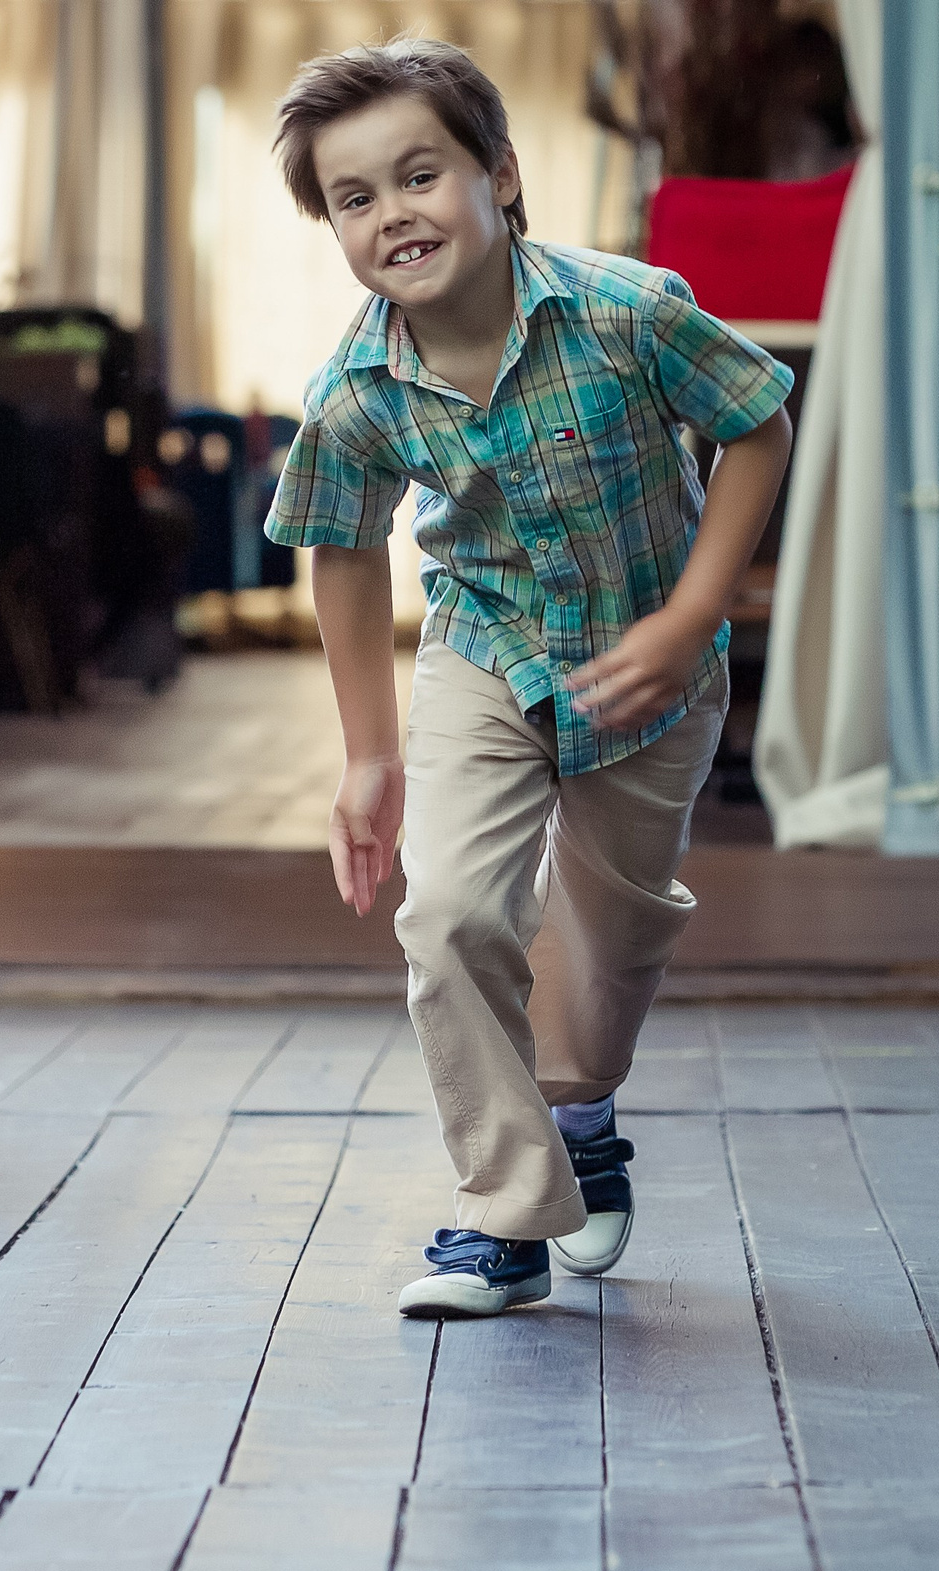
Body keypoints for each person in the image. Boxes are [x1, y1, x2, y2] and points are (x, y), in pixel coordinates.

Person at [263, 38, 794, 1318]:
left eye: (419, 175)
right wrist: (370, 756)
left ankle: (584, 1114)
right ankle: (504, 1215)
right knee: (448, 918)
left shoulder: (628, 309)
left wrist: (690, 616)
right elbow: (338, 547)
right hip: (485, 653)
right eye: (353, 198)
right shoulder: (357, 388)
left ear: (499, 176)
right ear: (330, 227)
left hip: (645, 669)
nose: (392, 214)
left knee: (609, 950)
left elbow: (755, 426)